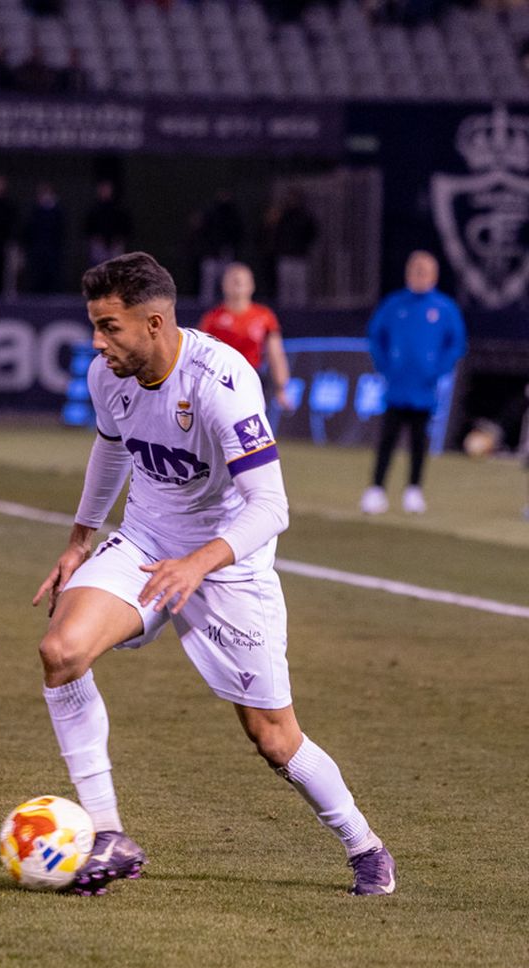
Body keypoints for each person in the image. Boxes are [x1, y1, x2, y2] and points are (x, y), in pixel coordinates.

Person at [31, 251, 394, 898]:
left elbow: (272, 507)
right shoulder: (105, 376)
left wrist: (199, 563)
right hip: (145, 541)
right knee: (61, 650)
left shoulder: (219, 381)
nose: (96, 341)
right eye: (93, 325)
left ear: (155, 321)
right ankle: (107, 834)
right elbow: (112, 448)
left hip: (228, 563)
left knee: (274, 738)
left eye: (109, 326)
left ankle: (364, 844)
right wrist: (79, 539)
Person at [360, 250, 466, 515]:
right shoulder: (394, 304)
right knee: (387, 439)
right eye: (415, 270)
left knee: (419, 441)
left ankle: (414, 490)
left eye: (425, 271)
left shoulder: (444, 308)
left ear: (434, 275)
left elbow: (456, 344)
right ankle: (376, 489)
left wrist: (438, 370)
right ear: (408, 272)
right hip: (396, 388)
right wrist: (385, 366)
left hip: (425, 390)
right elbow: (375, 336)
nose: (419, 275)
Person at [198, 262, 294, 413]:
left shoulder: (264, 316)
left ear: (251, 285)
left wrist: (281, 387)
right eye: (233, 280)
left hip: (252, 379)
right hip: (220, 382)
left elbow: (276, 353)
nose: (238, 284)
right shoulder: (213, 318)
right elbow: (201, 354)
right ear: (224, 285)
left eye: (242, 281)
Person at [266, 188, 317, 308]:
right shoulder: (283, 217)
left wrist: (304, 245)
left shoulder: (305, 216)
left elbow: (312, 233)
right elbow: (275, 233)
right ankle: (286, 311)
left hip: (300, 255)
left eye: (295, 198)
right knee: (285, 284)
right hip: (285, 254)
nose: (293, 201)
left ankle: (301, 311)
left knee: (300, 285)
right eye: (290, 198)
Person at [83, 179, 132, 266]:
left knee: (115, 269)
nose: (105, 192)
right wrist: (95, 238)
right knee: (99, 269)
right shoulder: (93, 210)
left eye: (107, 189)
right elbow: (87, 227)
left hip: (115, 245)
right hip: (99, 245)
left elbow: (126, 226)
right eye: (103, 189)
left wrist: (119, 238)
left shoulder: (119, 209)